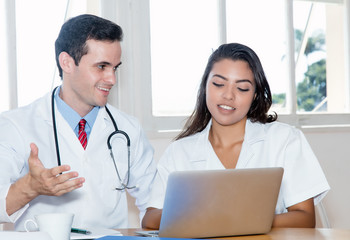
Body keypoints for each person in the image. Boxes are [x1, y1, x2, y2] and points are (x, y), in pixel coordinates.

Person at [142, 43, 330, 229]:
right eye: (218, 84)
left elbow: (304, 218)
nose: (228, 96)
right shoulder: (180, 151)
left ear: (255, 95)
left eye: (242, 88)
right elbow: (150, 218)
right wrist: (205, 216)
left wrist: (239, 220)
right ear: (205, 85)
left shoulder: (284, 140)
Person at [0, 14, 156, 230]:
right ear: (67, 63)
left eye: (115, 67)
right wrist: (30, 187)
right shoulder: (15, 126)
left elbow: (155, 201)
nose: (112, 79)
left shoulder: (128, 129)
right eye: (101, 66)